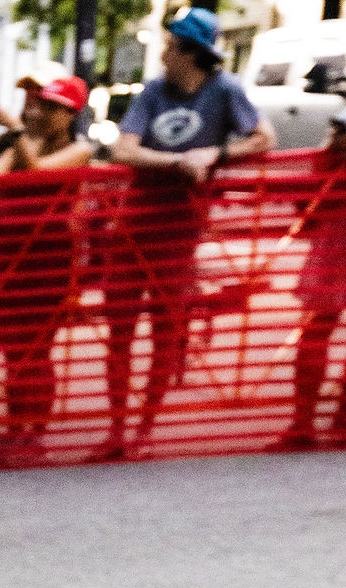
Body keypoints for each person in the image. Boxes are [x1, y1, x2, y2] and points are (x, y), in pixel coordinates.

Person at [104, 7, 270, 457]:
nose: (163, 51)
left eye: (172, 45)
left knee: (165, 331)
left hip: (179, 234)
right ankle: (118, 428)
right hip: (133, 225)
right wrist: (178, 162)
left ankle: (144, 429)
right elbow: (123, 148)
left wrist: (213, 153)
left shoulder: (225, 90)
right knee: (119, 330)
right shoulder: (154, 91)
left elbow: (262, 138)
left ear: (191, 54)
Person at [0, 73, 91, 460]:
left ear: (71, 115)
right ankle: (15, 430)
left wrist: (16, 128)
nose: (45, 113)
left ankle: (34, 434)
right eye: (44, 105)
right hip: (7, 254)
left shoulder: (80, 148)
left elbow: (38, 170)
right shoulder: (24, 141)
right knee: (12, 348)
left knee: (36, 350)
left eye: (54, 108)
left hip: (47, 258)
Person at [280, 98, 346, 448]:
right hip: (332, 249)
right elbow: (306, 208)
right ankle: (304, 421)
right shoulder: (328, 162)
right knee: (316, 333)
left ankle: (322, 418)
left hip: (334, 250)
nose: (336, 135)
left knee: (316, 333)